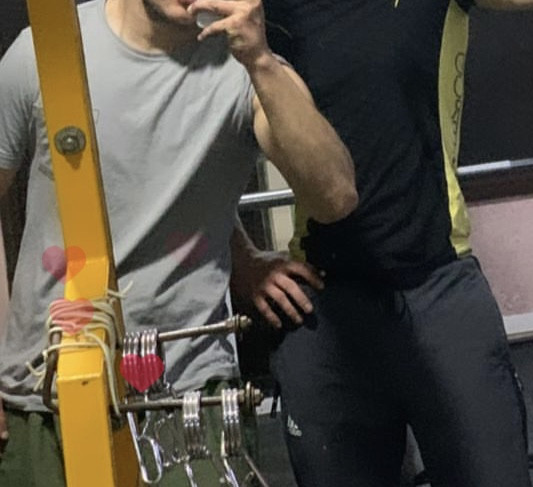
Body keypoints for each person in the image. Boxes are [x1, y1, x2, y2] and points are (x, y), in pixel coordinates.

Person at [0, 0, 357, 483]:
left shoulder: (247, 69)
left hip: (188, 391)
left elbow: (335, 197)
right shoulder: (45, 52)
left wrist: (261, 63)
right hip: (42, 390)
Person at [230, 0, 533, 485]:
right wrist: (241, 257)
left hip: (439, 290)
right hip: (321, 303)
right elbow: (182, 140)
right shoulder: (267, 12)